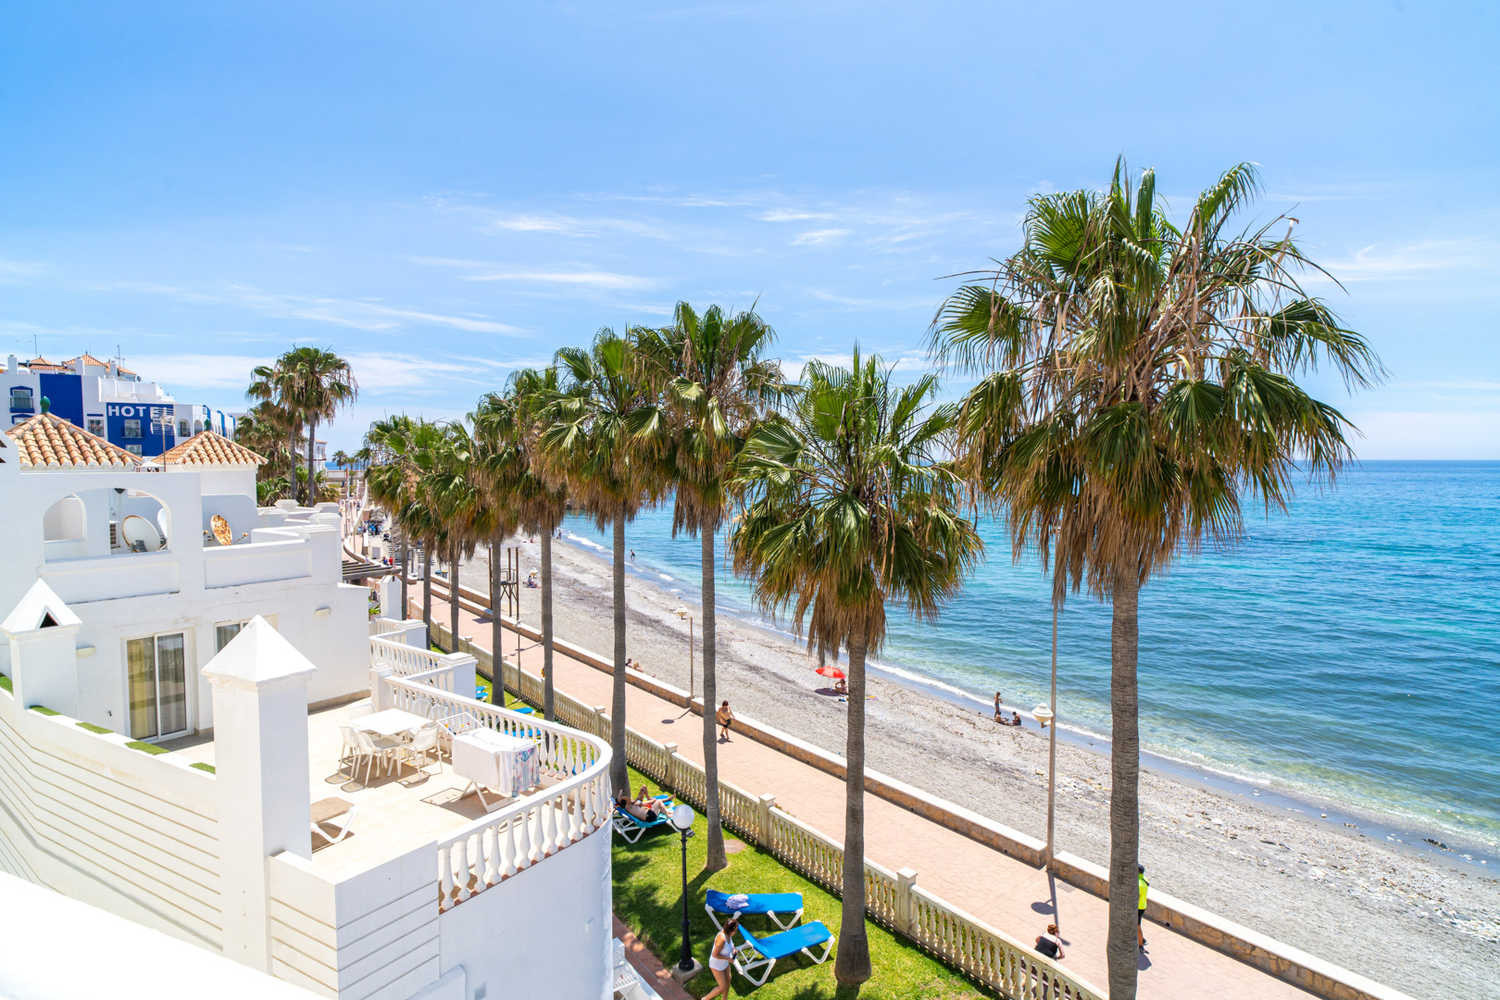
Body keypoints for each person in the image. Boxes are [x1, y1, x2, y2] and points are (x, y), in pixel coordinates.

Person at [702, 913, 739, 999]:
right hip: (716, 965)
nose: (736, 932)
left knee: (728, 979)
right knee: (722, 987)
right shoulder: (721, 939)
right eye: (735, 930)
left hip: (724, 963)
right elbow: (714, 955)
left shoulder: (728, 934)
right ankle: (705, 999)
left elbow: (731, 944)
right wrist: (728, 959)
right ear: (731, 930)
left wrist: (734, 949)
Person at [1138, 864, 1149, 950]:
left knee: (1137, 926)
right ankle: (1142, 939)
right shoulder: (1145, 879)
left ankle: (1141, 945)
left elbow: (1136, 896)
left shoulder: (1138, 884)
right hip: (1143, 905)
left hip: (1138, 907)